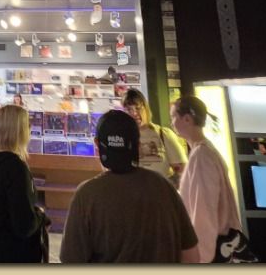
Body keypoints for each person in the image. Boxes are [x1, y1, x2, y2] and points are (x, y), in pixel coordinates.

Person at [59, 109, 197, 263]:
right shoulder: (164, 187)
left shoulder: (86, 195)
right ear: (138, 146)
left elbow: (71, 261)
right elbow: (192, 256)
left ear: (97, 144)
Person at [172, 95, 243, 263]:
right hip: (221, 243)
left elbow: (203, 211)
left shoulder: (200, 156)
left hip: (213, 248)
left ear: (187, 119)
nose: (172, 123)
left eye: (173, 116)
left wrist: (200, 257)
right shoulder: (206, 150)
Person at [0, 104, 46, 263]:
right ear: (17, 131)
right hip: (11, 252)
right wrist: (40, 216)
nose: (30, 129)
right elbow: (24, 225)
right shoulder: (15, 167)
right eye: (26, 125)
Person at [122, 88, 186, 183]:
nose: (135, 113)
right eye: (129, 110)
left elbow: (183, 172)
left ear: (146, 108)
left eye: (138, 108)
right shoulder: (121, 138)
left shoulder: (163, 134)